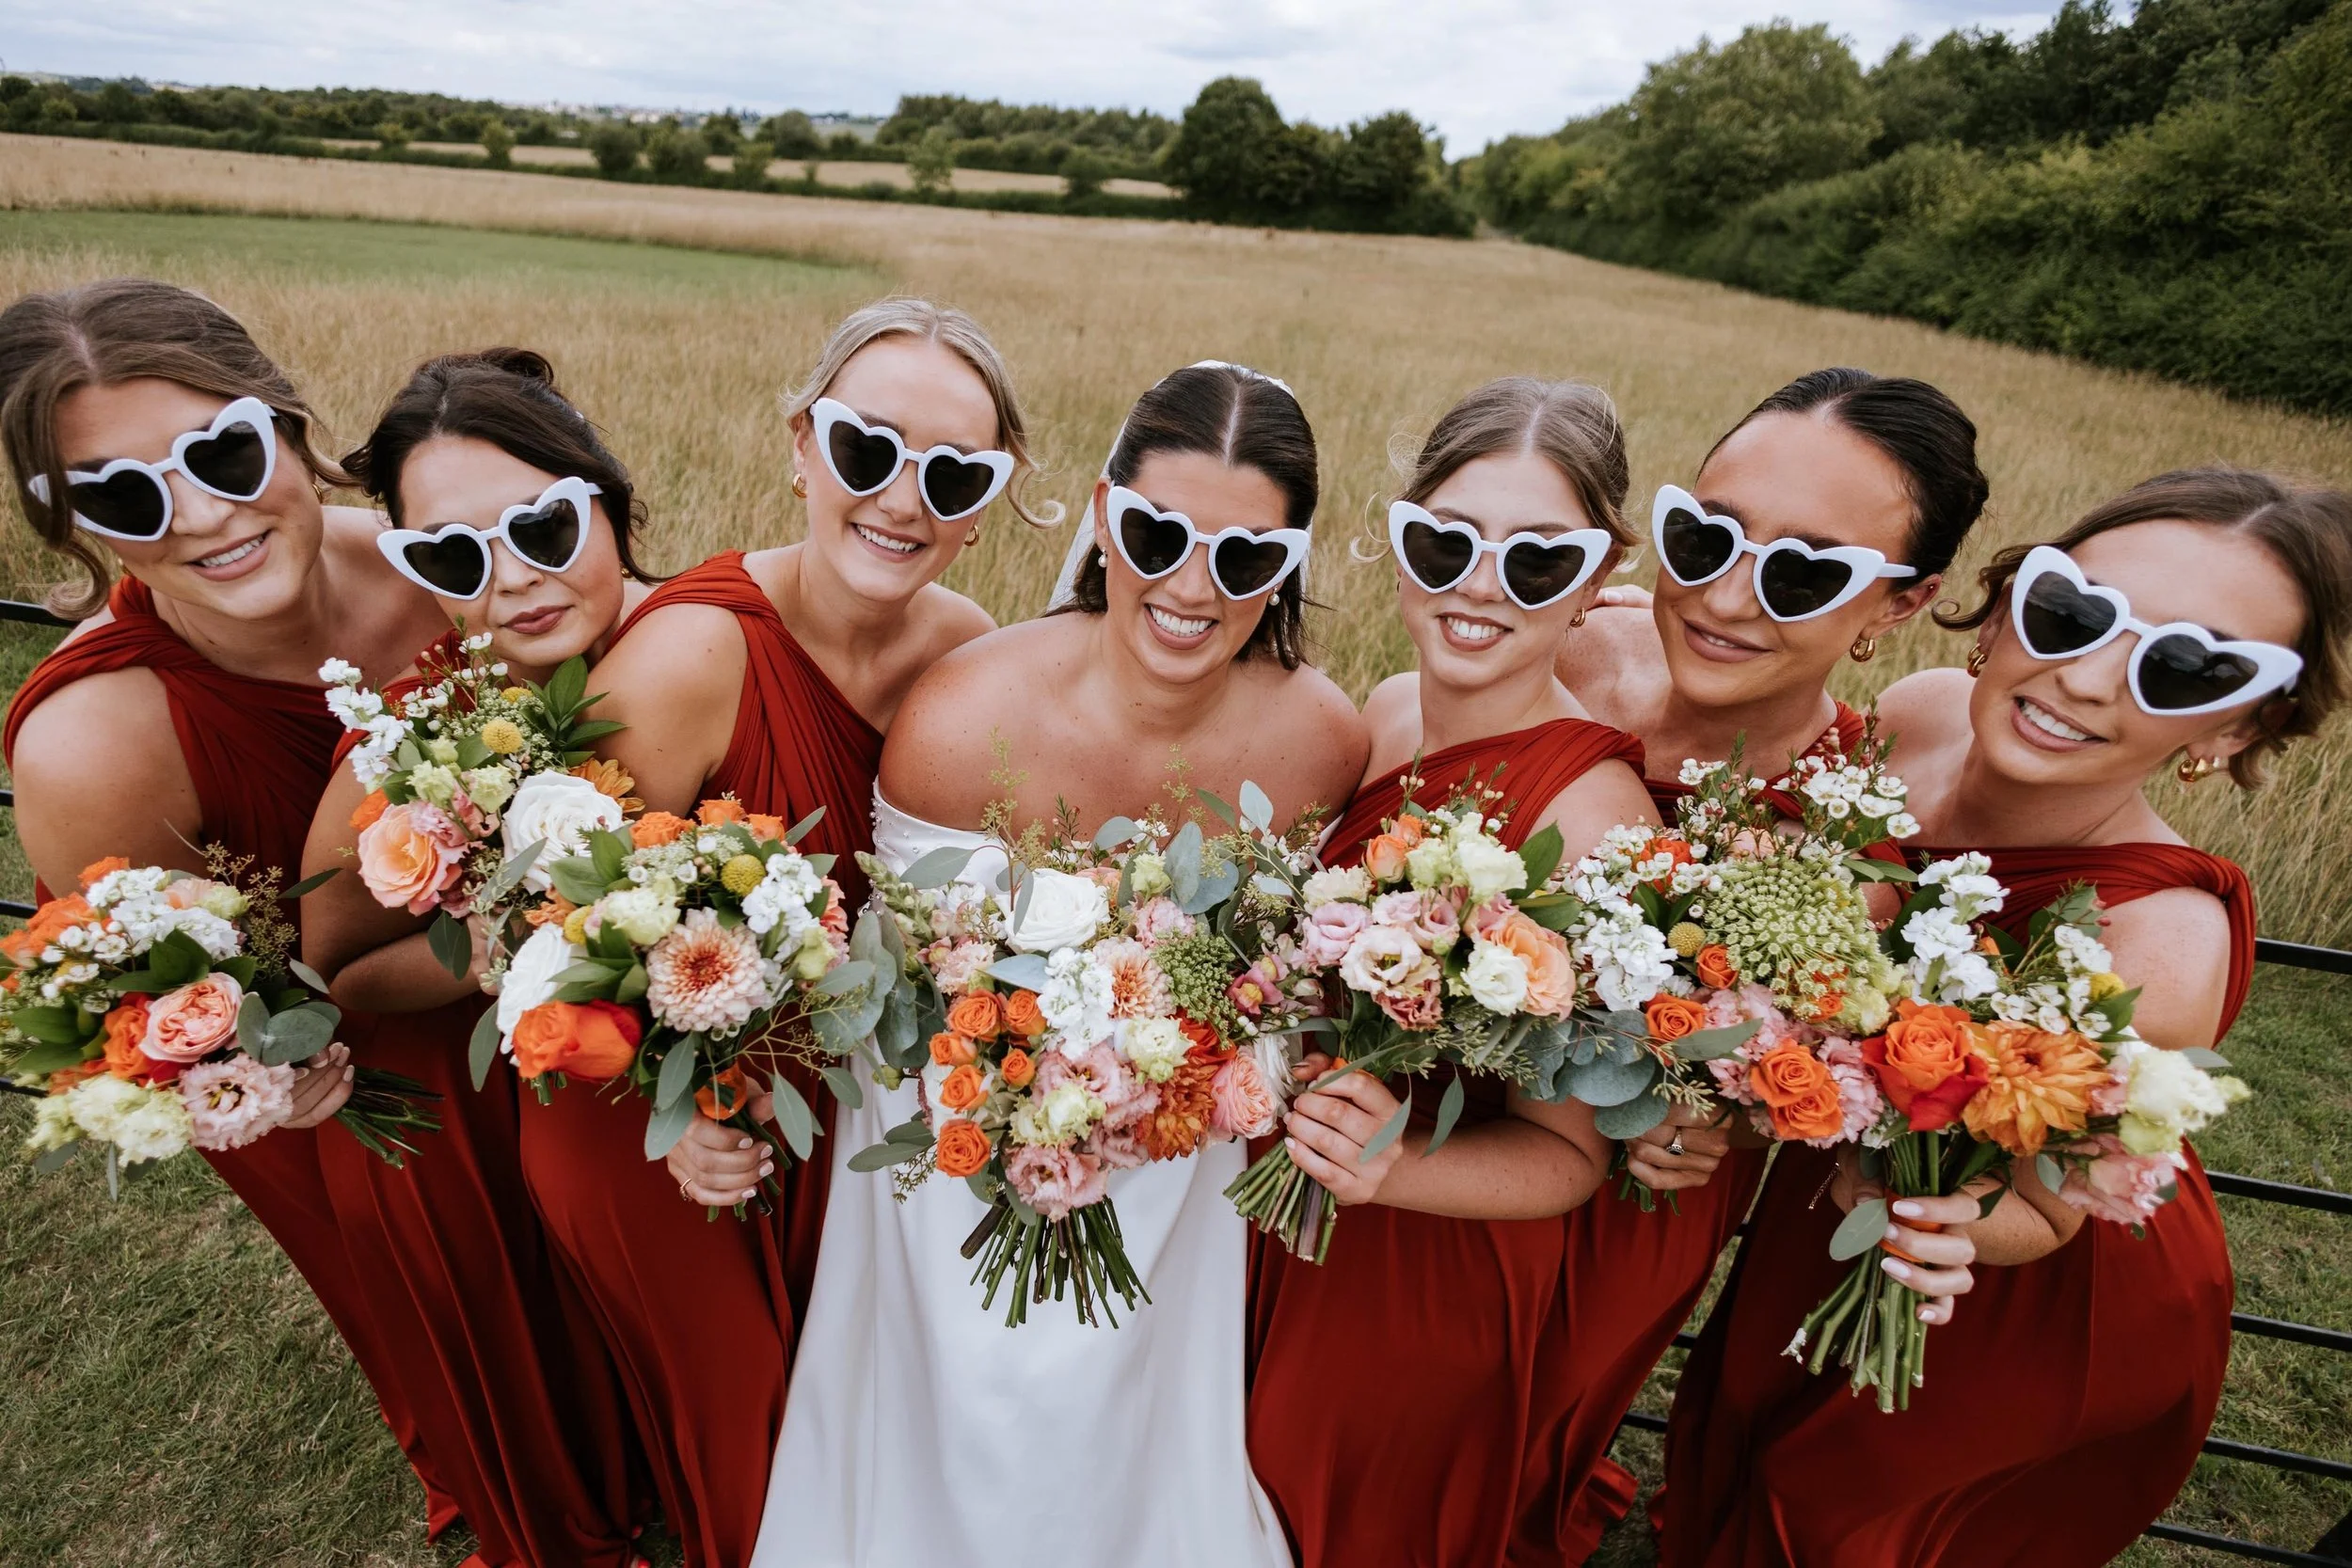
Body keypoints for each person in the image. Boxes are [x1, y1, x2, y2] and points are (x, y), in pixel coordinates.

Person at [1660, 467, 2352, 1568]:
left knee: (1839, 1520)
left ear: (2235, 724)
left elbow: (2050, 1208)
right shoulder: (1914, 712)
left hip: (2015, 1274)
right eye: (2070, 610)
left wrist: (1944, 1222)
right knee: (1751, 1437)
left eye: (2180, 666)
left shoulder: (2162, 942)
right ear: (2001, 609)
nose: (2083, 677)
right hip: (1844, 1201)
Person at [753, 360, 1367, 1568]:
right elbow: (909, 980)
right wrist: (1027, 1098)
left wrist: (1170, 1080)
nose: (1192, 586)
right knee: (984, 1399)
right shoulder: (962, 713)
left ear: (1289, 561)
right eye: (1157, 534)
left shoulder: (1319, 736)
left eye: (1243, 558)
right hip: (951, 1141)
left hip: (1182, 1158)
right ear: (1101, 515)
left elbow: (1285, 982)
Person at [574, 298, 1053, 1568]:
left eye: (952, 473)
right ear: (801, 442)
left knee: (854, 1411)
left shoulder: (970, 654)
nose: (902, 498)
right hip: (648, 1114)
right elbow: (560, 936)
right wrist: (669, 1114)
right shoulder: (686, 655)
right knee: (753, 1433)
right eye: (865, 449)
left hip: (848, 1105)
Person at [0, 279, 466, 1537]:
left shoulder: (443, 569)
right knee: (451, 1308)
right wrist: (255, 1069)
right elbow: (167, 1025)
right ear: (70, 522)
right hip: (349, 1102)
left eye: (223, 452)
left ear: (287, 421)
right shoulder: (91, 740)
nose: (203, 514)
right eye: (126, 495)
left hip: (506, 994)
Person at [1551, 368, 1992, 1551]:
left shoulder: (1853, 843)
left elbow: (1795, 1083)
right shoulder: (1569, 646)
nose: (1723, 596)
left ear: (1899, 604)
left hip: (1620, 1206)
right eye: (1703, 536)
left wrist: (1708, 1117)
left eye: (1803, 571)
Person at [1247, 376, 1657, 1567]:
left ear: (1593, 579)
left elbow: (1571, 1158)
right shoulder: (1381, 714)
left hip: (1418, 1275)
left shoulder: (1597, 824)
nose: (1479, 585)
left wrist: (1392, 1165)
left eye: (1536, 562)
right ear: (1400, 538)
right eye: (1446, 542)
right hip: (1293, 1214)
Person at [299, 348, 659, 1568]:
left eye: (544, 526)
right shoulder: (424, 733)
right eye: (449, 556)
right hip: (473, 1103)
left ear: (603, 494)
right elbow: (334, 970)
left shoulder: (714, 644)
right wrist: (502, 946)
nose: (510, 580)